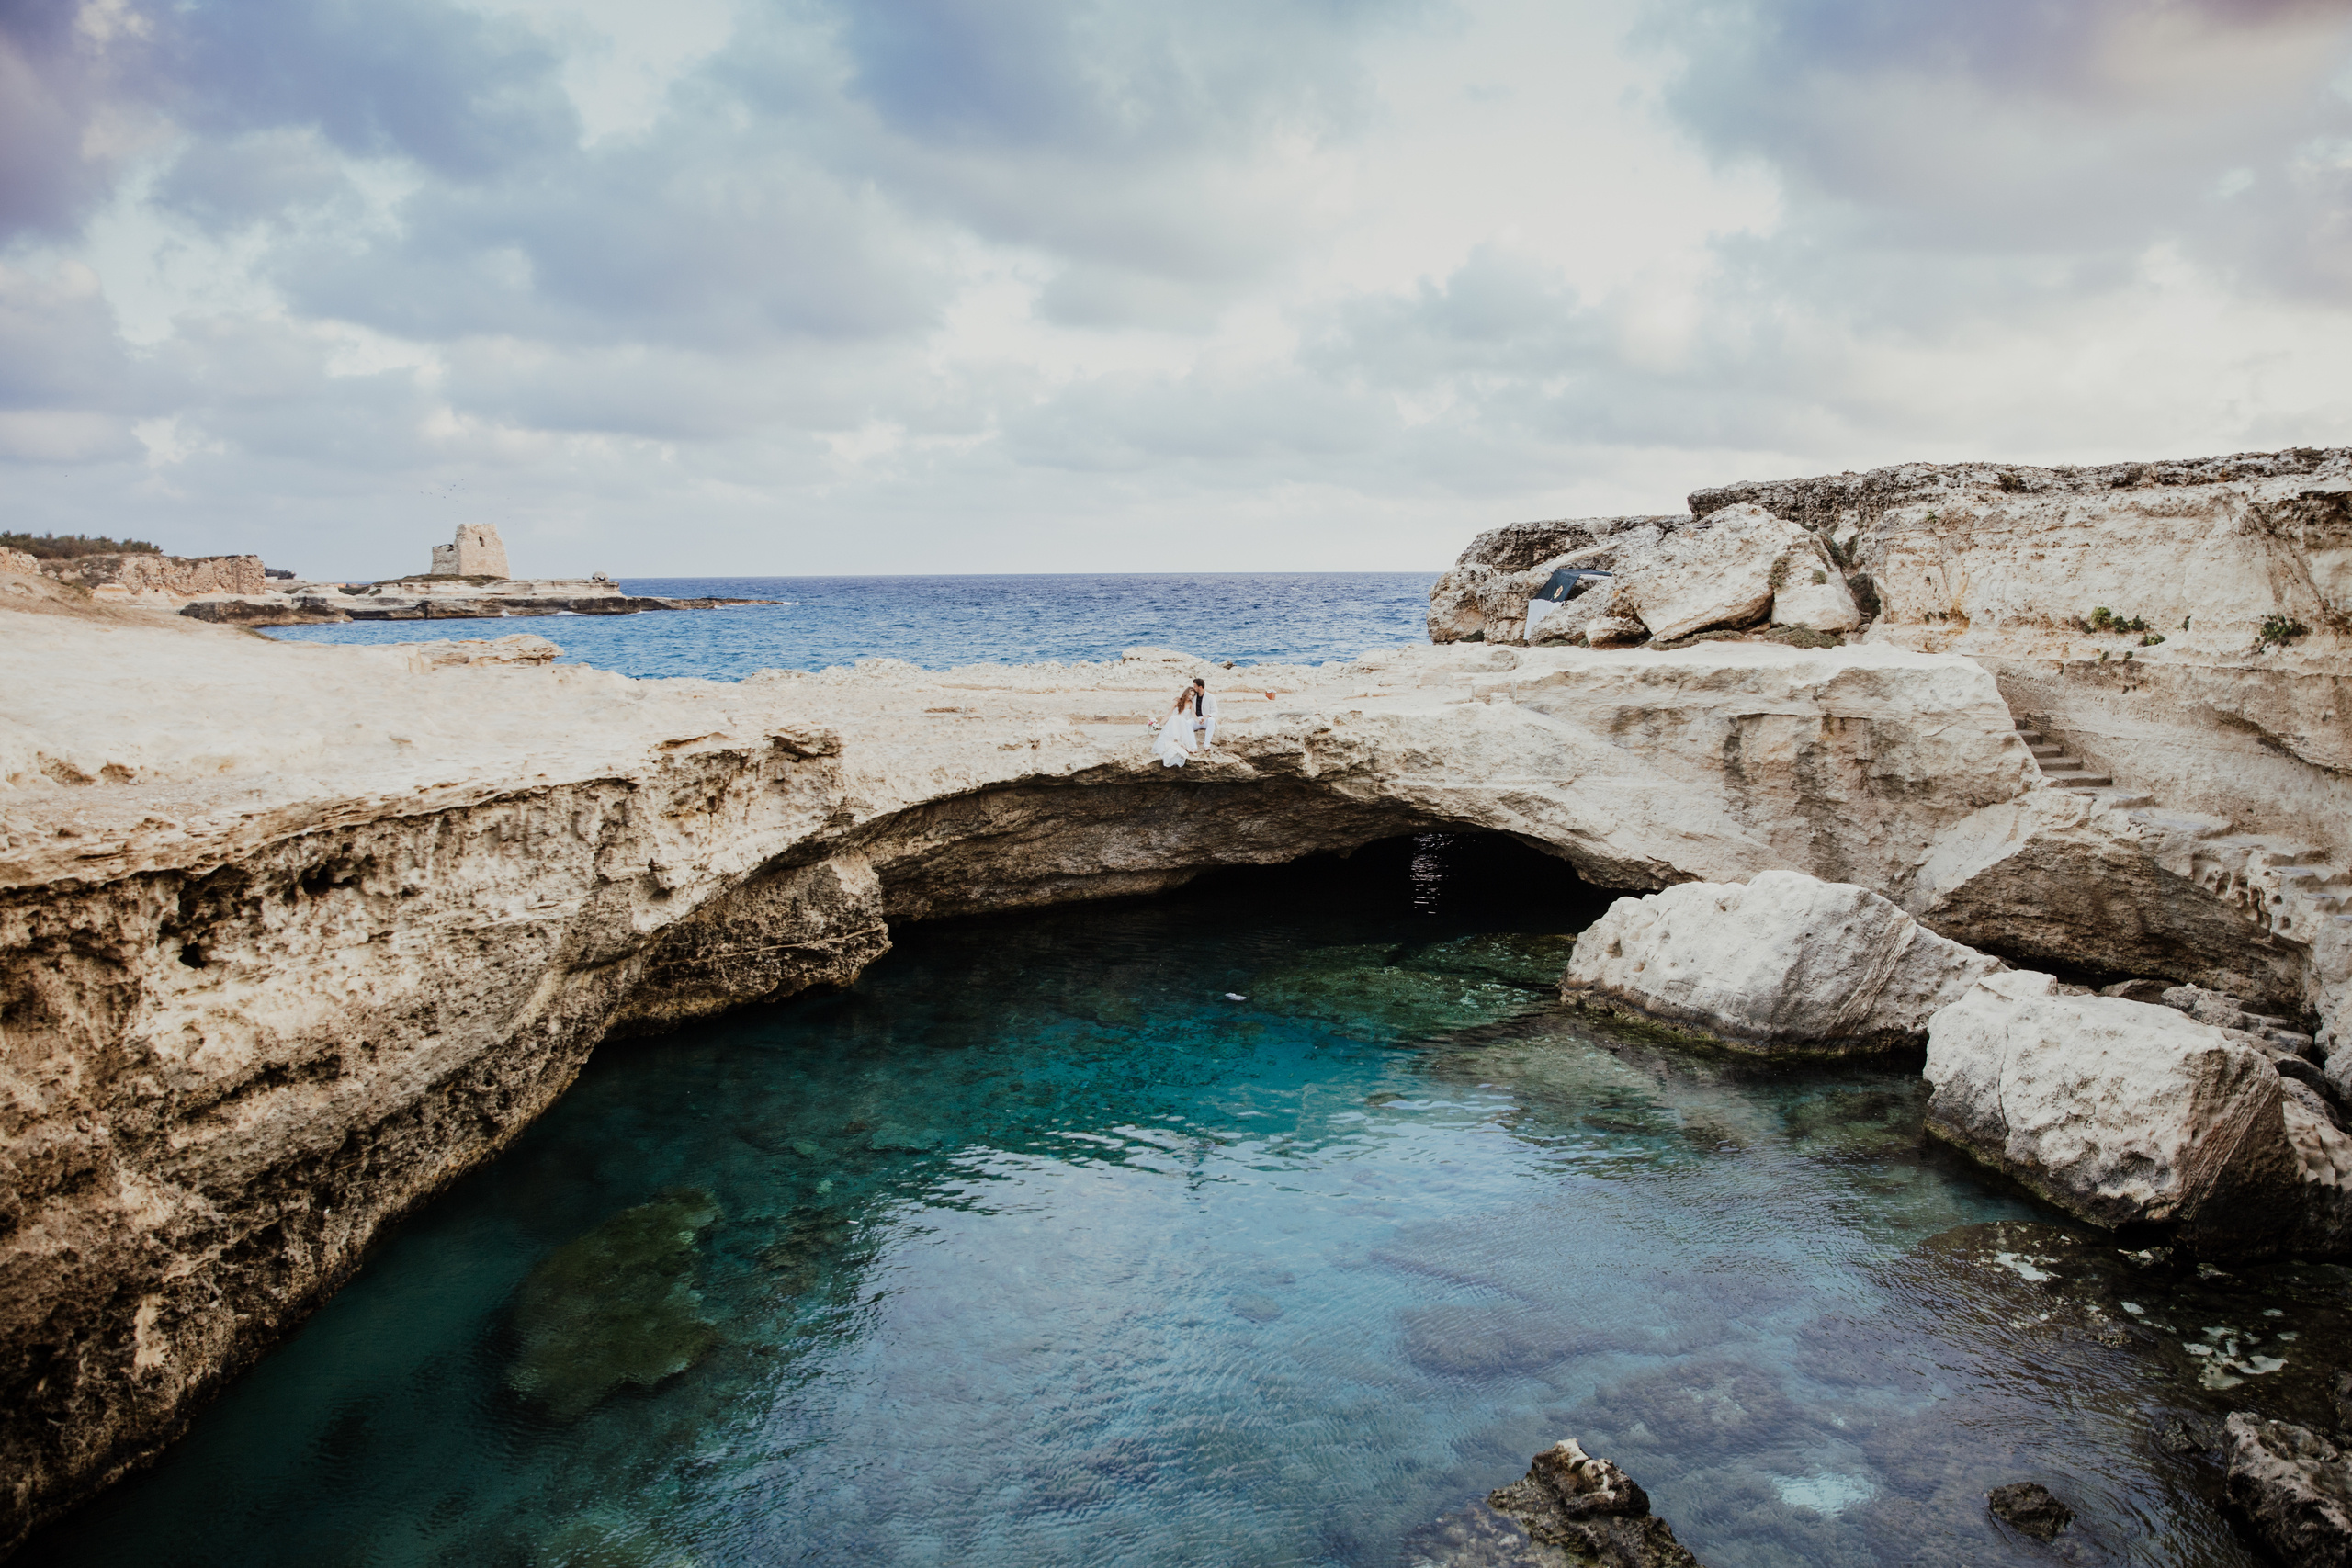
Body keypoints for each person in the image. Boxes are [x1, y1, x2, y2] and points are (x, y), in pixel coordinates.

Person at [1151, 687, 1197, 768]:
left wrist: (1200, 721)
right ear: (1186, 692)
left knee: (1179, 719)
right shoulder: (1177, 701)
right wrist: (1159, 725)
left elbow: (1194, 715)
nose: (1190, 697)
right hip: (1174, 724)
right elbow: (1168, 714)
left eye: (1192, 696)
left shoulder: (1190, 703)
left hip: (1183, 725)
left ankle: (1180, 742)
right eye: (1189, 694)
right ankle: (1176, 740)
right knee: (1174, 718)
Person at [1189, 677, 1220, 749]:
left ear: (1200, 687)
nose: (1194, 688)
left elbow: (1215, 712)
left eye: (1195, 687)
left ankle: (1206, 745)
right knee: (1188, 723)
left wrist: (1207, 716)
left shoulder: (1210, 697)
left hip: (1205, 720)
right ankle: (1193, 746)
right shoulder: (1193, 697)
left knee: (1212, 720)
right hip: (1196, 720)